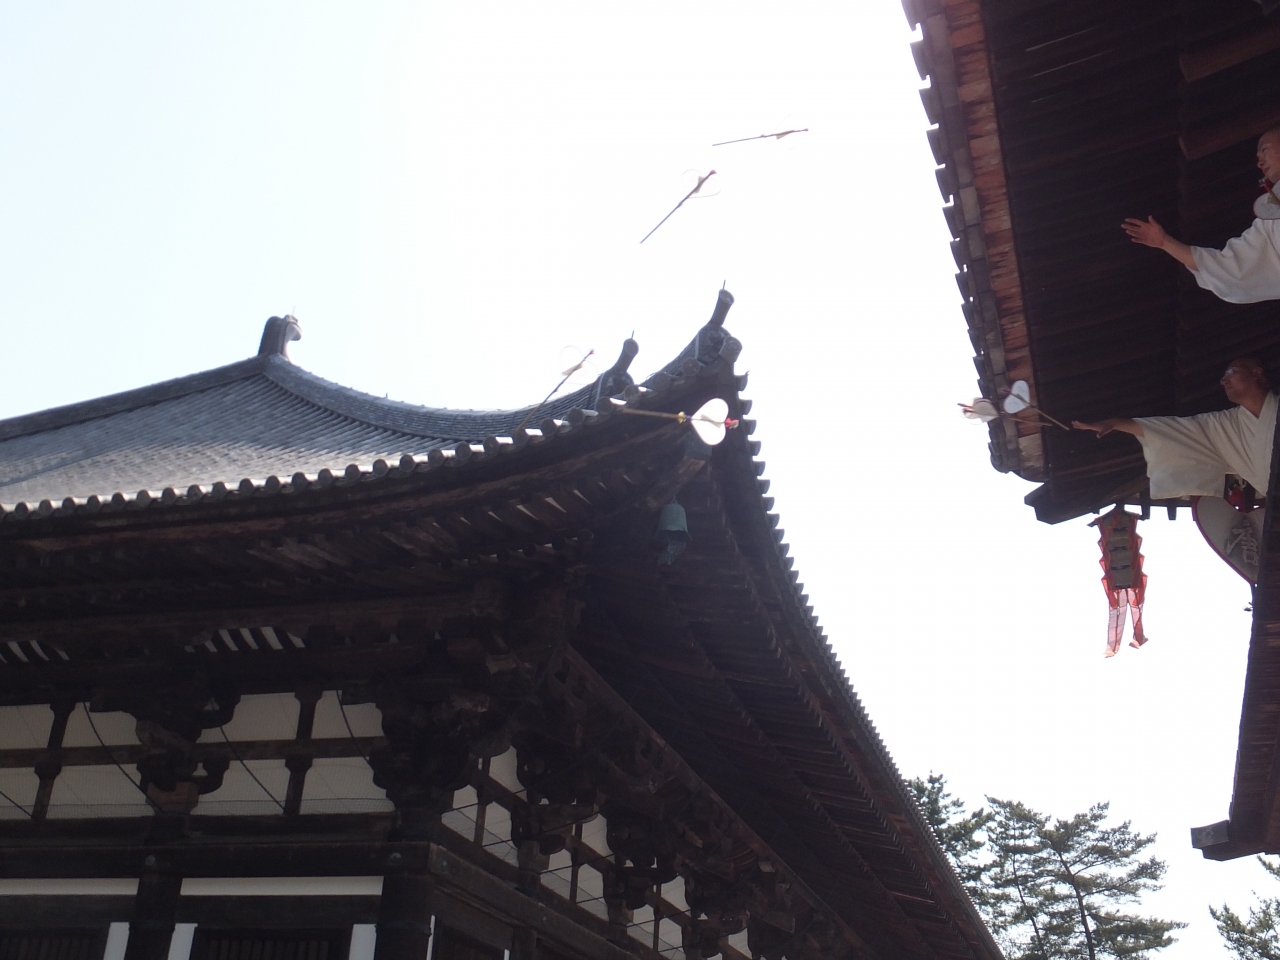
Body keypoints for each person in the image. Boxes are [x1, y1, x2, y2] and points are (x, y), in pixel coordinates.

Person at [1072, 358, 1277, 500]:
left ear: (1256, 373)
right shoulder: (1226, 424)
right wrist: (1116, 423)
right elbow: (1177, 431)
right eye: (1223, 377)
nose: (1224, 381)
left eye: (1232, 372)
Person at [1122, 127, 1280, 303]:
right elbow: (1229, 267)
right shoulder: (1270, 222)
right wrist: (1165, 242)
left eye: (1265, 150)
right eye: (1258, 158)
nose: (1260, 163)